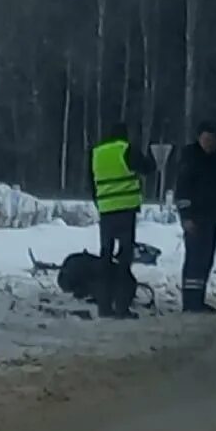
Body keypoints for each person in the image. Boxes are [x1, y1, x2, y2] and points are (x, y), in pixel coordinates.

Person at [174, 122, 216, 314]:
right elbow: (182, 191)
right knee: (194, 261)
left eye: (212, 139)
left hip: (210, 218)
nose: (208, 143)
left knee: (205, 260)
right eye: (205, 139)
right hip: (195, 219)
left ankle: (198, 299)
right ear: (199, 138)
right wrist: (186, 217)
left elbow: (215, 194)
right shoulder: (191, 159)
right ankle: (190, 302)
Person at [89, 121, 148, 317]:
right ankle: (122, 306)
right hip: (125, 210)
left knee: (105, 257)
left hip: (106, 211)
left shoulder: (97, 153)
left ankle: (104, 306)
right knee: (124, 257)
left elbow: (91, 182)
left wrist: (100, 203)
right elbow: (147, 167)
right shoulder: (127, 150)